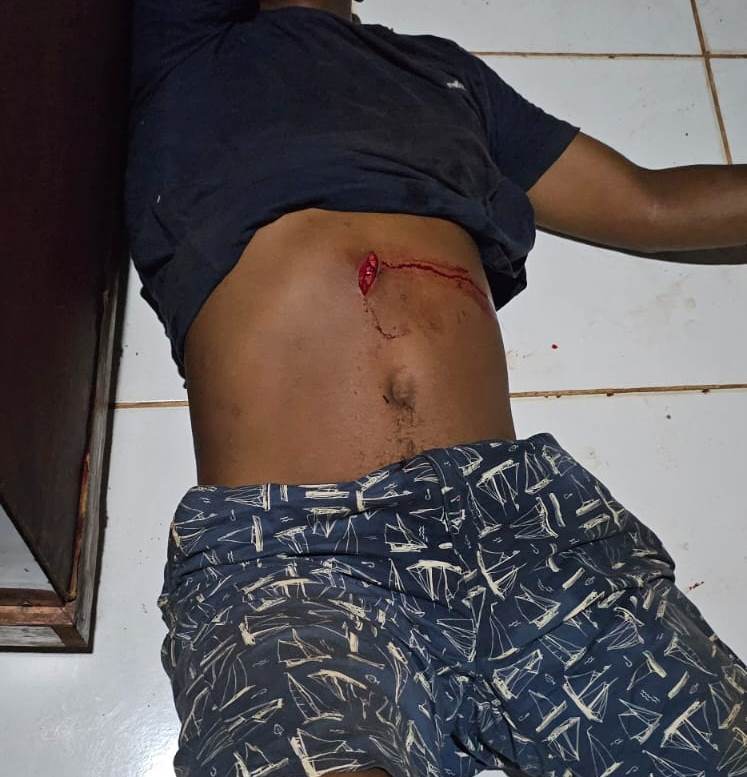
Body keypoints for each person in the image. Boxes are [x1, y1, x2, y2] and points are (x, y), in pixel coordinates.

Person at [125, 1, 747, 775]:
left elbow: (651, 203)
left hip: (523, 529)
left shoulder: (442, 73)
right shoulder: (187, 49)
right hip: (297, 553)